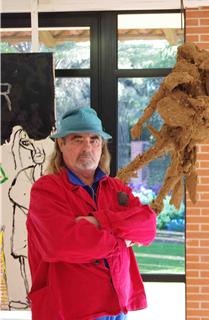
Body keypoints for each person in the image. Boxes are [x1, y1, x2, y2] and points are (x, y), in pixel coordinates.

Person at [27, 107, 157, 320]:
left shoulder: (115, 188)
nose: (87, 147)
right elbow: (62, 244)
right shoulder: (46, 190)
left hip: (117, 307)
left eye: (94, 139)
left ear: (102, 146)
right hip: (70, 311)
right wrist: (121, 241)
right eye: (77, 139)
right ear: (61, 144)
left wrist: (98, 221)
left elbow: (148, 226)